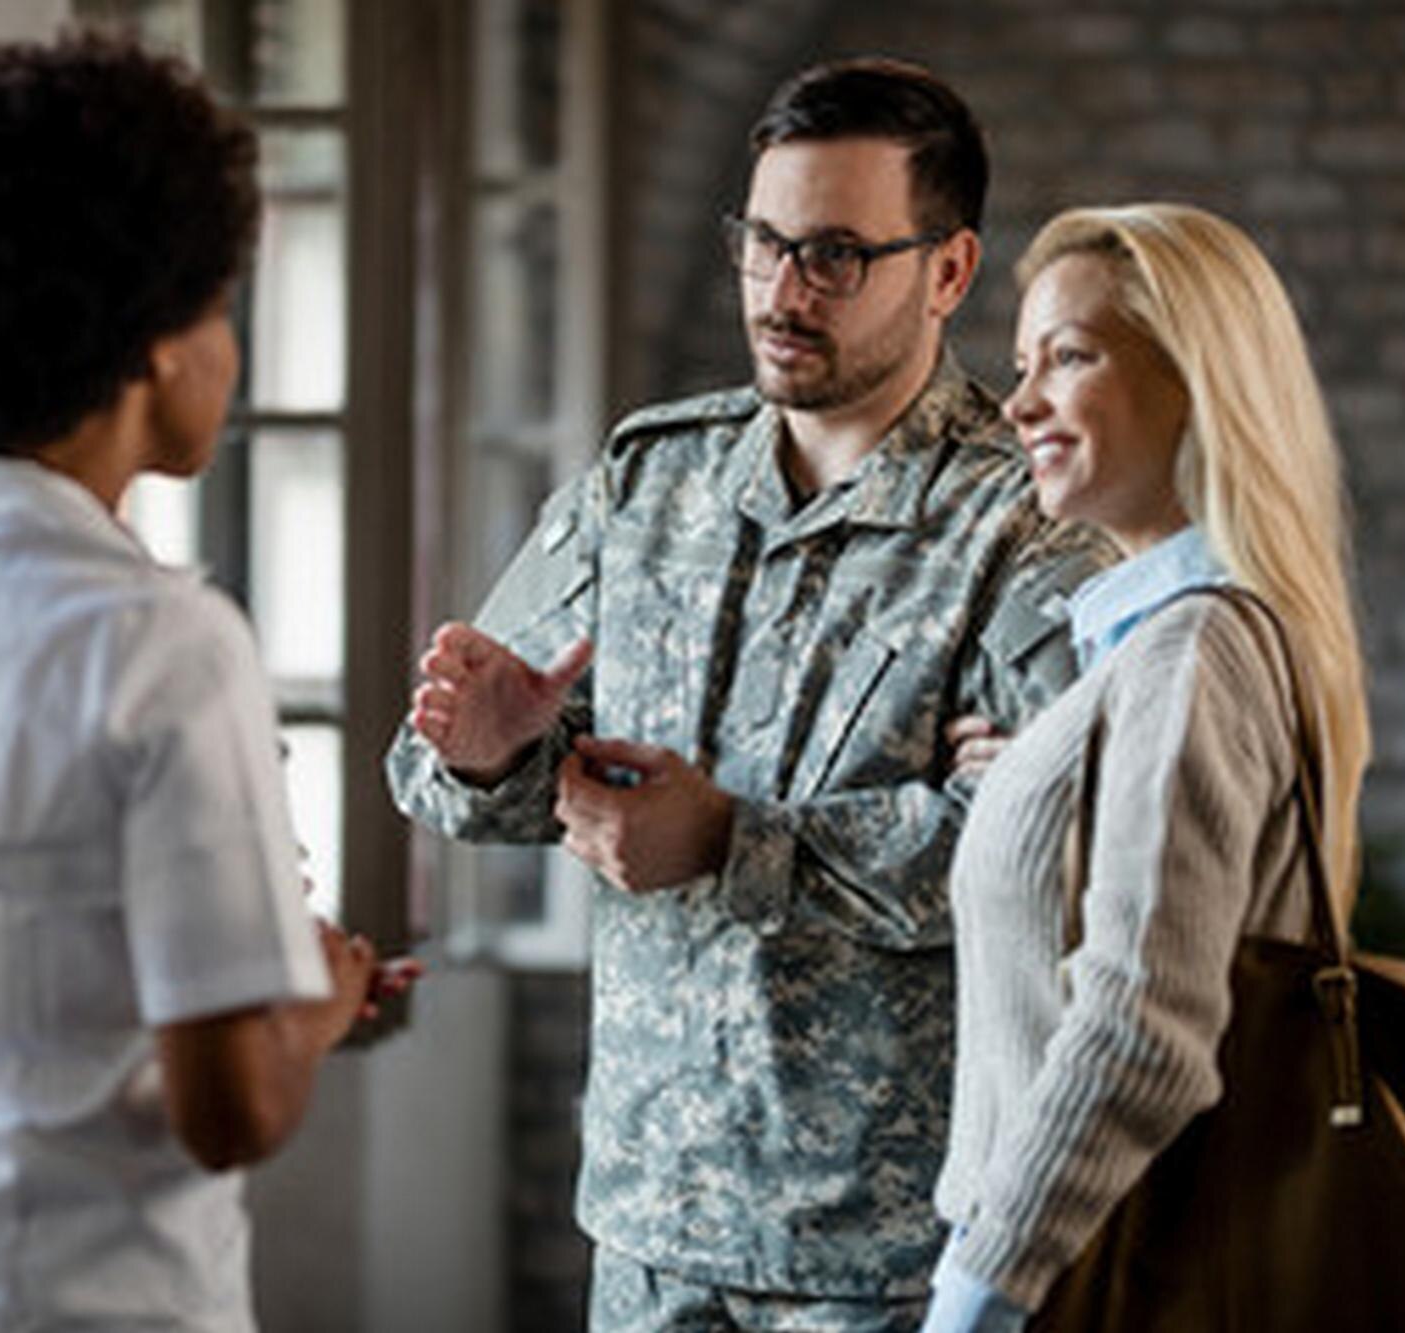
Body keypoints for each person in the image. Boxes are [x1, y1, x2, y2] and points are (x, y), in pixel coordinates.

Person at [387, 58, 1108, 1330]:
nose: (780, 292)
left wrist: (734, 841)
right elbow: (442, 778)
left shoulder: (1023, 524)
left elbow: (1069, 858)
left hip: (891, 1258)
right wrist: (500, 756)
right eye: (762, 243)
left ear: (946, 272)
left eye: (834, 255)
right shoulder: (645, 479)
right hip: (645, 1224)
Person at [0, 33, 408, 1333]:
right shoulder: (164, 647)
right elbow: (233, 1113)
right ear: (155, 341)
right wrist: (314, 1002)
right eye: (223, 307)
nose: (230, 348)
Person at [920, 202, 1373, 1332]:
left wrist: (974, 1297)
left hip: (1075, 1278)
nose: (1017, 403)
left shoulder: (1192, 648)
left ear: (1197, 382)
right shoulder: (1163, 651)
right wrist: (1049, 782)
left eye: (1068, 358)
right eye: (1022, 364)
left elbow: (1137, 1029)